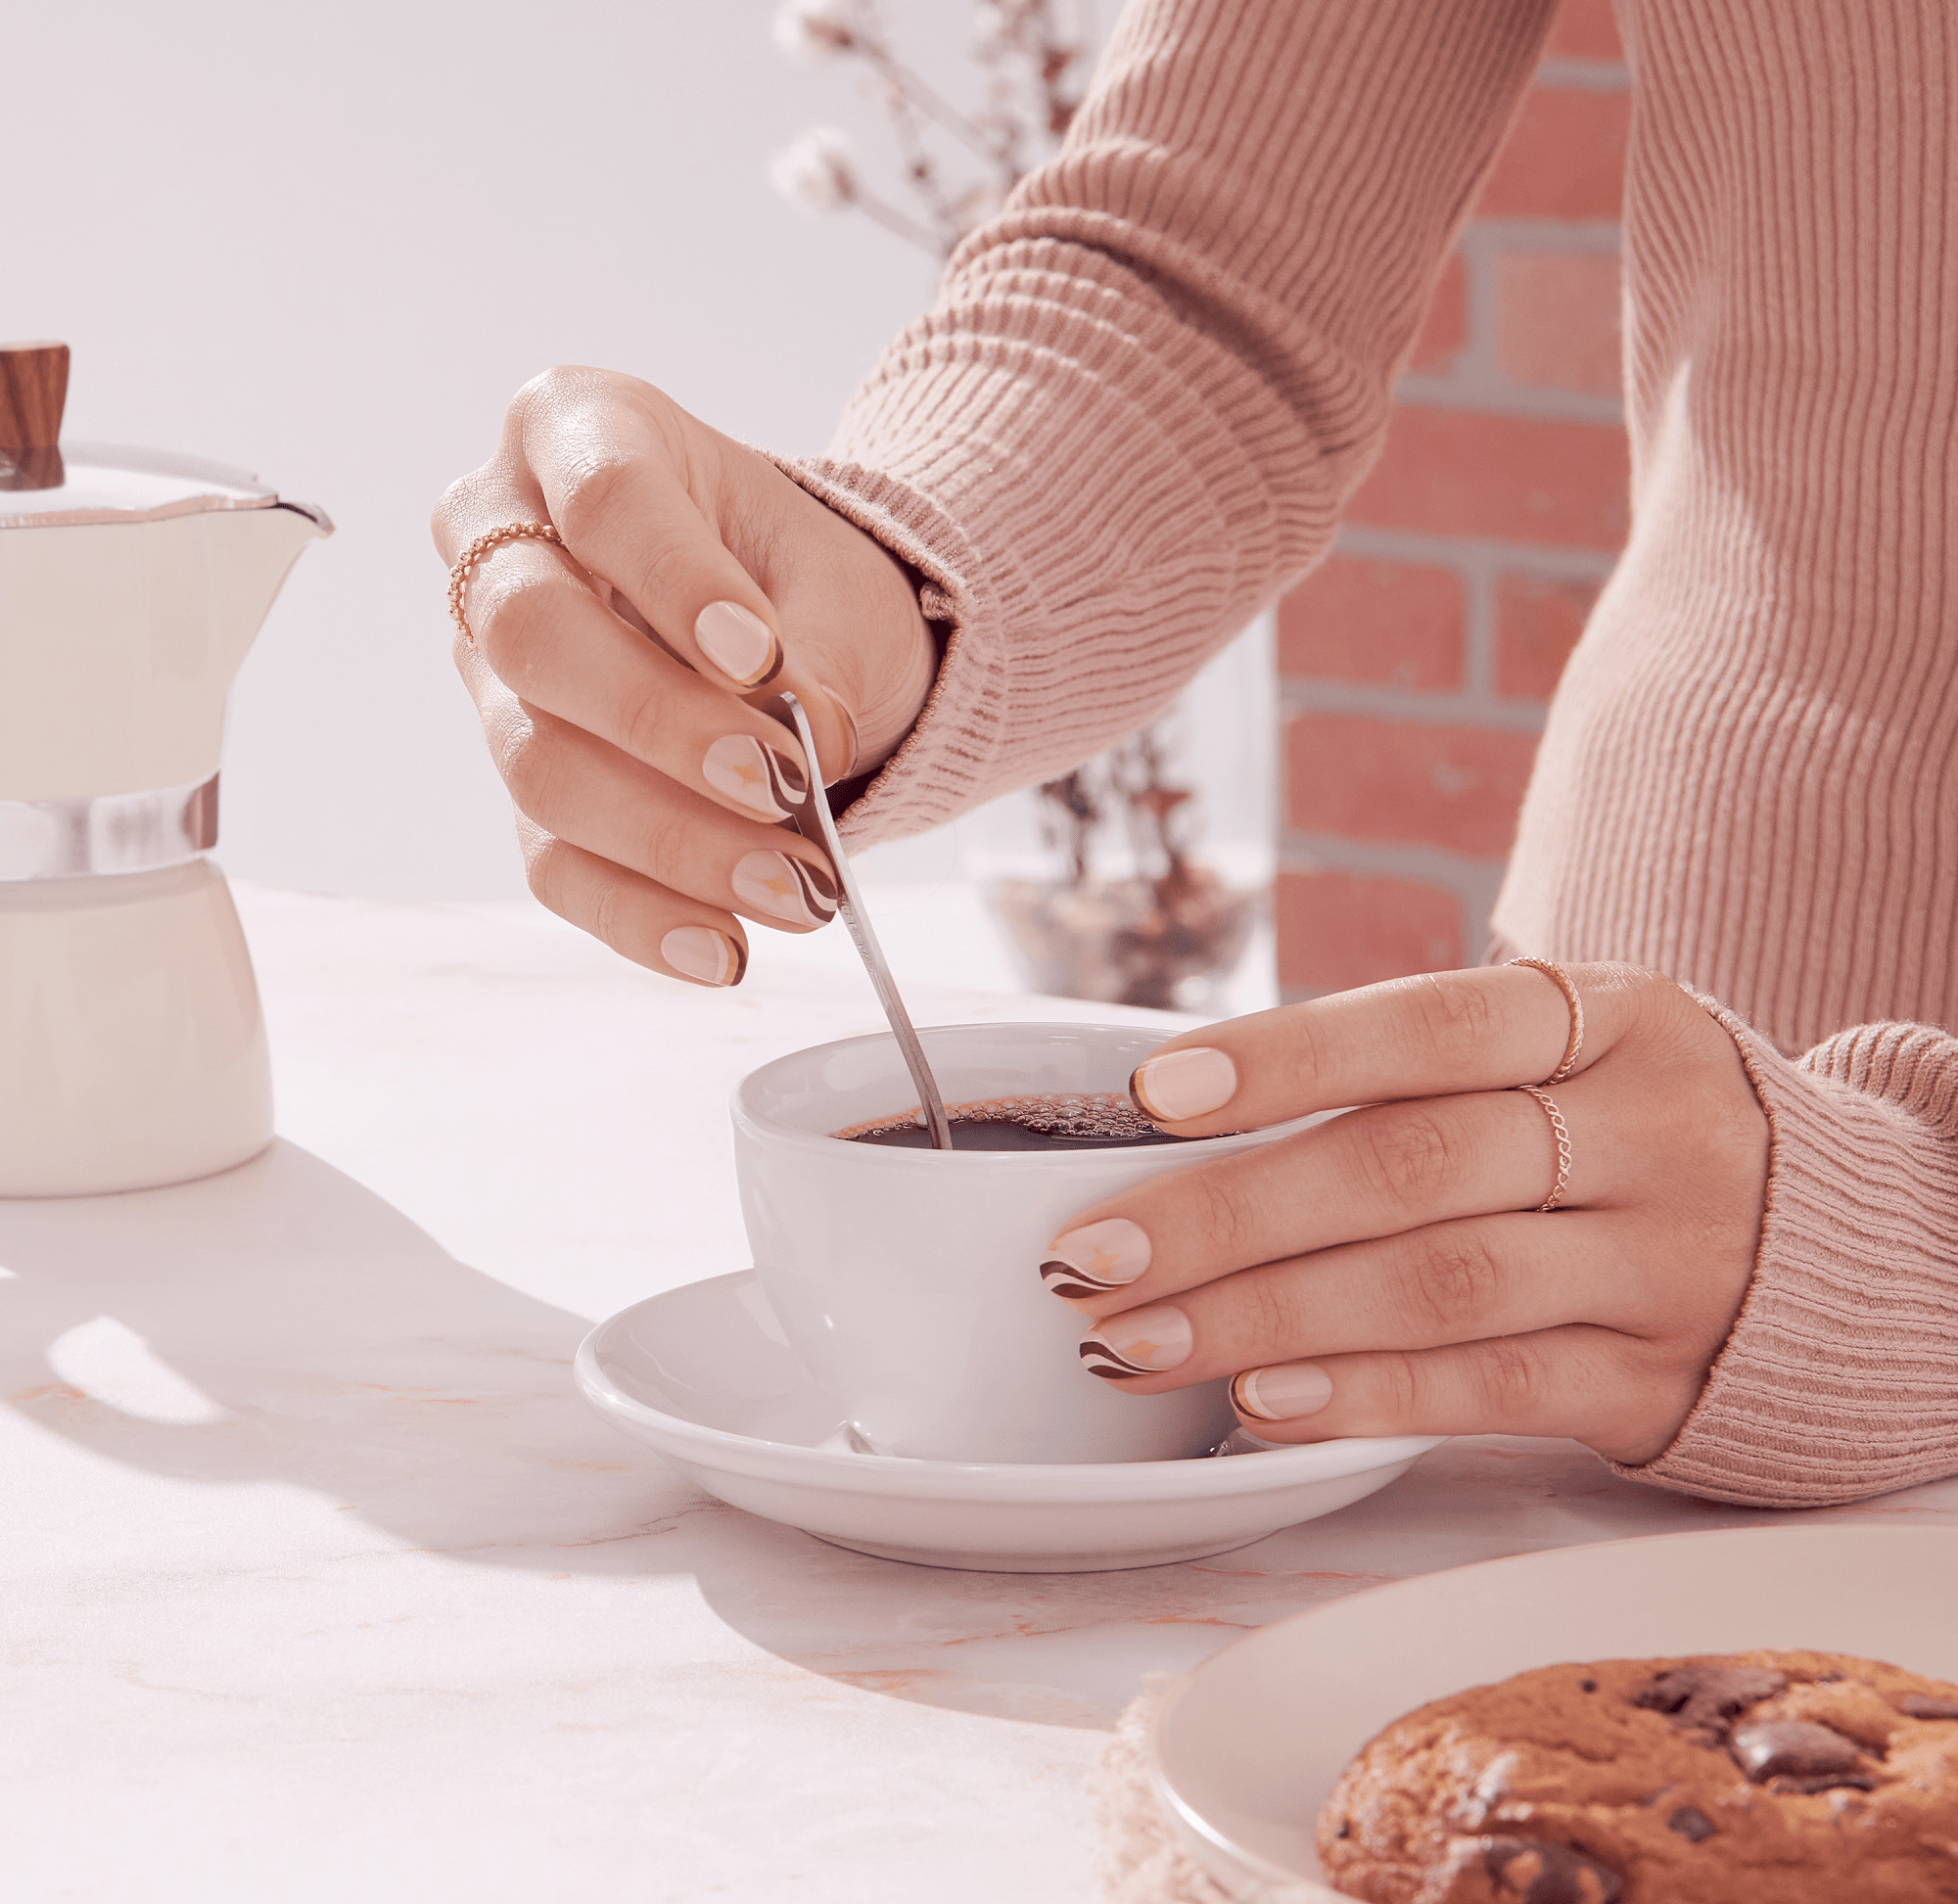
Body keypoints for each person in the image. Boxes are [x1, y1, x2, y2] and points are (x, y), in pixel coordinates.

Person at [431, 0, 1958, 1508]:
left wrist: (1905, 1264)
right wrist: (894, 578)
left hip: (1680, 1273)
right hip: (1588, 1233)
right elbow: (1214, 274)